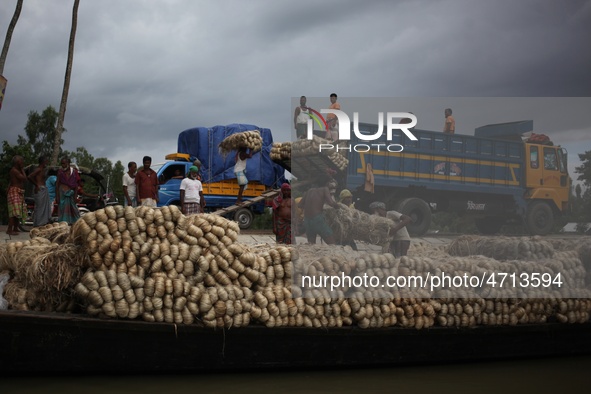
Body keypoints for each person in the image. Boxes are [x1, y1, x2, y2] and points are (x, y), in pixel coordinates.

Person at [300, 178, 342, 244]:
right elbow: (331, 203)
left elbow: (300, 204)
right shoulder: (325, 189)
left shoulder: (309, 190)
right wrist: (339, 207)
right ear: (326, 183)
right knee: (332, 244)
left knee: (311, 245)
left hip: (307, 220)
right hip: (317, 219)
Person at [27, 155, 51, 227]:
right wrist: (36, 184)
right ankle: (38, 224)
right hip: (40, 189)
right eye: (46, 161)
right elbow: (29, 176)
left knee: (42, 208)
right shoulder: (38, 169)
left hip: (43, 189)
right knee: (40, 208)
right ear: (43, 162)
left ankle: (41, 223)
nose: (47, 163)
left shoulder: (42, 170)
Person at [56, 156, 81, 224]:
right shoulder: (60, 172)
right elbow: (57, 184)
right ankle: (63, 224)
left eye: (64, 163)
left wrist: (75, 197)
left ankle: (75, 224)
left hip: (71, 194)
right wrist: (57, 196)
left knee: (74, 210)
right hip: (62, 194)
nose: (63, 165)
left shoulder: (74, 172)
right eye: (62, 164)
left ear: (68, 163)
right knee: (62, 210)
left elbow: (76, 185)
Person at [6, 155, 27, 235]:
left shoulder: (15, 170)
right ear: (18, 162)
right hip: (14, 191)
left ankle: (15, 227)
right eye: (21, 161)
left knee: (18, 211)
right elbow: (24, 178)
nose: (23, 162)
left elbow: (11, 181)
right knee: (13, 212)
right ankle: (9, 229)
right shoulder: (14, 170)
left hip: (18, 191)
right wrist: (22, 169)